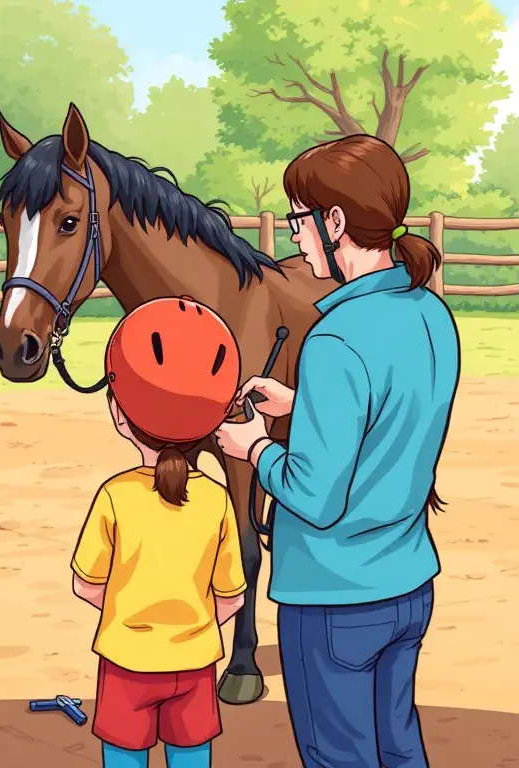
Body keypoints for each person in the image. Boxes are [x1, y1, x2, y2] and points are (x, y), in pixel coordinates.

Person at [214, 135, 461, 768]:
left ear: (336, 222)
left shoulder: (336, 338)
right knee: (399, 749)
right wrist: (304, 405)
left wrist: (255, 446)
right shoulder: (429, 314)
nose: (294, 237)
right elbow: (394, 411)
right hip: (407, 580)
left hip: (333, 597)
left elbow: (317, 499)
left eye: (300, 219)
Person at [72, 297, 247, 768]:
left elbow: (85, 584)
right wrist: (188, 627)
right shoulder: (215, 498)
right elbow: (231, 598)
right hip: (196, 665)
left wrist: (133, 616)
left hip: (126, 664)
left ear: (119, 414)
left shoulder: (115, 495)